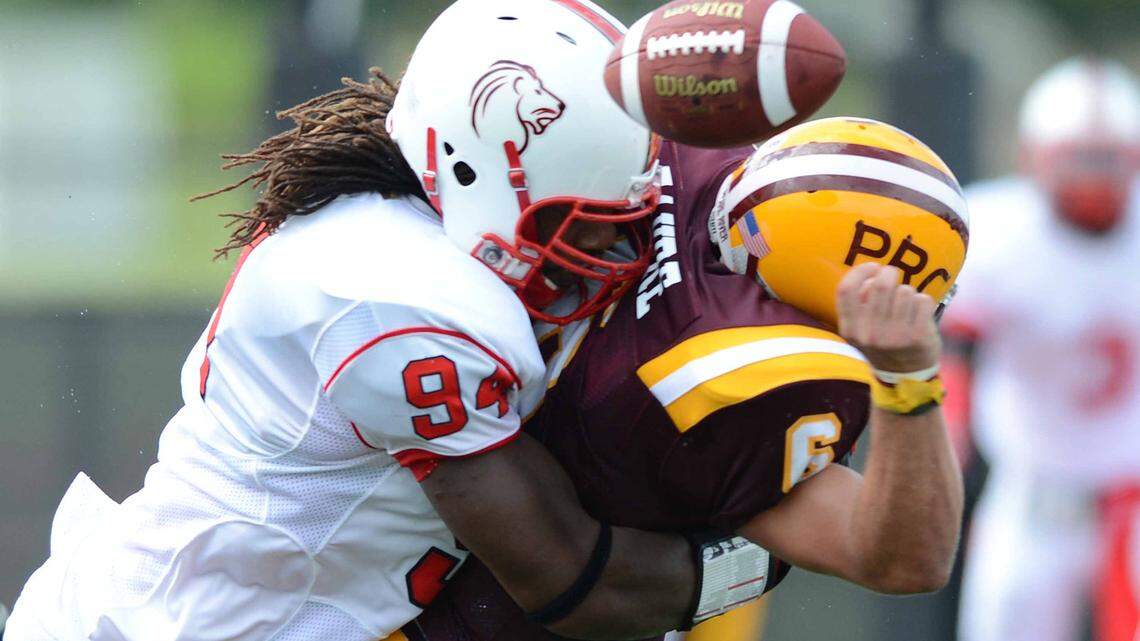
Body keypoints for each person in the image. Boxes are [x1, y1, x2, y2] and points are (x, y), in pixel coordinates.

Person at [4, 2, 772, 640]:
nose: (615, 249)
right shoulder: (406, 302)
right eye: (587, 223)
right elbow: (569, 578)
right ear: (476, 170)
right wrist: (754, 554)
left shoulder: (408, 220)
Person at [404, 118, 970, 641]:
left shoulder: (680, 150)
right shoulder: (741, 378)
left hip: (387, 502)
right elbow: (909, 561)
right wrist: (909, 377)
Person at [944, 58, 1140, 641]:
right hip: (1034, 486)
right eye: (1076, 158)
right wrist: (947, 438)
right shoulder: (1000, 230)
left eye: (1107, 159)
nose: (1092, 178)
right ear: (1032, 158)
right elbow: (953, 349)